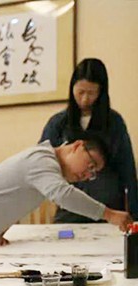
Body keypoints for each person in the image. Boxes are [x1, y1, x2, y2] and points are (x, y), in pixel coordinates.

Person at [0, 134, 132, 265]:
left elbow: (11, 197)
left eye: (93, 173)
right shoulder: (41, 160)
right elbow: (63, 194)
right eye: (90, 165)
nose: (87, 175)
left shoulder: (46, 164)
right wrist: (109, 214)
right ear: (77, 146)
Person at [40, 58, 138, 222]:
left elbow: (127, 170)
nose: (85, 99)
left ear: (101, 92)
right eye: (80, 92)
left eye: (91, 93)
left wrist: (135, 215)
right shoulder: (58, 123)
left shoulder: (114, 122)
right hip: (71, 207)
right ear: (72, 88)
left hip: (110, 209)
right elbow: (43, 161)